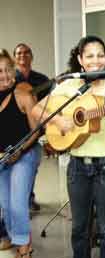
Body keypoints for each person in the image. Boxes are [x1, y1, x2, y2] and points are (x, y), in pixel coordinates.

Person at [31, 35, 105, 258]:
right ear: (80, 59)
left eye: (100, 55)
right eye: (90, 56)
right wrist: (59, 120)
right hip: (77, 165)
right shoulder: (69, 86)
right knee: (79, 230)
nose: (96, 61)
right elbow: (37, 110)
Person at [0, 48, 40, 257]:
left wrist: (21, 149)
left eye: (8, 69)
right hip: (2, 158)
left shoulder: (23, 94)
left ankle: (24, 246)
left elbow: (37, 130)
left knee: (17, 200)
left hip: (26, 154)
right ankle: (17, 238)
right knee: (5, 205)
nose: (5, 75)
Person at [13, 43, 50, 212]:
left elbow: (49, 104)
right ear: (15, 57)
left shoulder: (41, 80)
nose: (23, 55)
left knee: (31, 167)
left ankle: (29, 197)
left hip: (36, 130)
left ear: (31, 56)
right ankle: (21, 201)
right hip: (15, 130)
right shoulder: (10, 78)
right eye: (19, 53)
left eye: (26, 52)